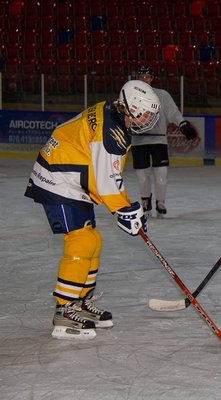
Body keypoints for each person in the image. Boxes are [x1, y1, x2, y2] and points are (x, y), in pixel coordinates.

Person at [24, 80, 161, 340]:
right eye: (145, 112)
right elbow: (107, 182)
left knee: (93, 240)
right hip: (58, 177)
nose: (148, 119)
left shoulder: (114, 115)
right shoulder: (113, 131)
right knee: (81, 240)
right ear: (130, 107)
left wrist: (128, 209)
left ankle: (81, 303)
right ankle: (64, 310)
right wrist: (125, 210)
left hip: (71, 177)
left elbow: (109, 177)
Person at [131, 66, 197, 219]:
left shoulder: (162, 95)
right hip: (138, 139)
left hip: (158, 139)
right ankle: (145, 203)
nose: (144, 79)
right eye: (141, 77)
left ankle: (160, 203)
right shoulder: (131, 96)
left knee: (161, 173)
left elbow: (173, 113)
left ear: (152, 78)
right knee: (142, 175)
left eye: (147, 76)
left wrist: (183, 124)